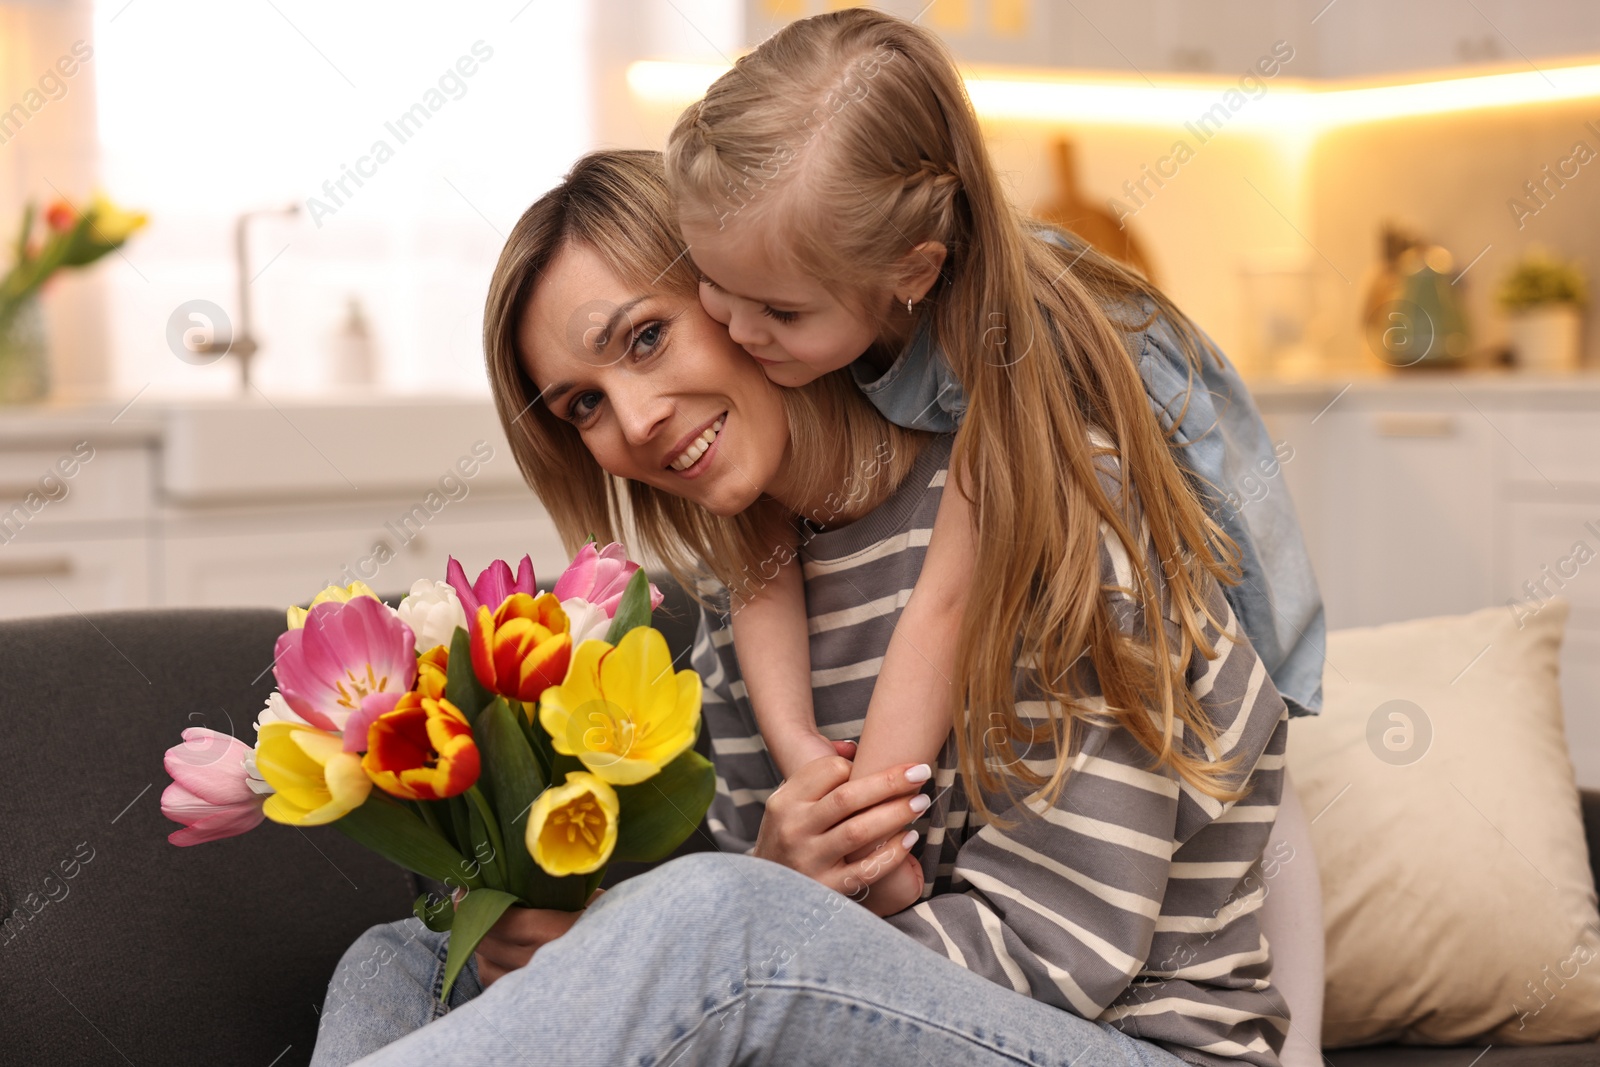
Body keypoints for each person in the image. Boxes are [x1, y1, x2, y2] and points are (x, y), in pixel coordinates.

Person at [310, 150, 1304, 1067]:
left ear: (744, 294)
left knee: (710, 918)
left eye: (647, 337)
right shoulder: (742, 607)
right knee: (399, 956)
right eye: (584, 405)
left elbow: (1065, 946)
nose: (636, 418)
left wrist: (757, 915)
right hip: (914, 1017)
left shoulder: (1040, 495)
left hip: (1123, 1040)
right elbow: (788, 967)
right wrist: (717, 907)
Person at [663, 4, 1326, 961]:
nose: (733, 327)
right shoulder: (824, 293)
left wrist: (874, 829)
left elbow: (944, 603)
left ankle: (1299, 1042)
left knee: (1243, 755)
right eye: (710, 287)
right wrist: (803, 747)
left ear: (913, 273)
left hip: (1186, 492)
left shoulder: (1014, 365)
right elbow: (757, 542)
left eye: (777, 311)